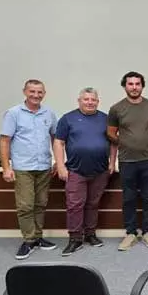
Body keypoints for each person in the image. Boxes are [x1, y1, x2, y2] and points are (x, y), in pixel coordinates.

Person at [53, 87, 117, 256]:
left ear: (98, 101)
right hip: (75, 170)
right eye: (86, 99)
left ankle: (90, 234)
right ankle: (75, 238)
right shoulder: (68, 119)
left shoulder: (106, 119)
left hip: (100, 170)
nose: (90, 102)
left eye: (93, 100)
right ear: (79, 100)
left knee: (93, 204)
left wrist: (112, 161)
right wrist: (60, 165)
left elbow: (113, 142)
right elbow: (58, 143)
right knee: (75, 206)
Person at [0, 79, 58, 260]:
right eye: (32, 91)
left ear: (44, 94)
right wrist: (6, 167)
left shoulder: (49, 113)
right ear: (25, 92)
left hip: (44, 166)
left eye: (40, 92)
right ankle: (29, 240)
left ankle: (38, 237)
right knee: (25, 206)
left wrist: (57, 160)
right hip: (23, 167)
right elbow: (4, 141)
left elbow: (56, 138)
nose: (36, 95)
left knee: (40, 203)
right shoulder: (14, 113)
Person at [107, 71, 148, 251]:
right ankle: (130, 233)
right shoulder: (116, 108)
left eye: (137, 84)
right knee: (128, 198)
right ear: (125, 86)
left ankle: (147, 232)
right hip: (127, 160)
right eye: (130, 84)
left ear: (142, 86)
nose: (134, 87)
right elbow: (110, 132)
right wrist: (124, 142)